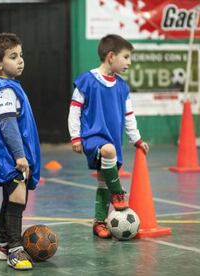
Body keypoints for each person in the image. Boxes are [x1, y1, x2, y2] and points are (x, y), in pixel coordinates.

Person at [67, 34, 149, 239]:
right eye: (126, 57)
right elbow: (74, 110)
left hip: (114, 140)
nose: (129, 62)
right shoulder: (87, 80)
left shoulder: (122, 87)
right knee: (108, 150)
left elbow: (129, 116)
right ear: (111, 56)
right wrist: (76, 137)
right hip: (92, 137)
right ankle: (119, 193)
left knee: (103, 181)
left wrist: (136, 139)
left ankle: (99, 223)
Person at [0, 33, 40, 271]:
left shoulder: (12, 86)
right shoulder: (4, 89)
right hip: (10, 156)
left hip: (13, 155)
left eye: (21, 55)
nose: (20, 60)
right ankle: (15, 249)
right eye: (13, 57)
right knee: (17, 196)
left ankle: (4, 245)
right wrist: (19, 155)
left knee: (10, 199)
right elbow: (8, 125)